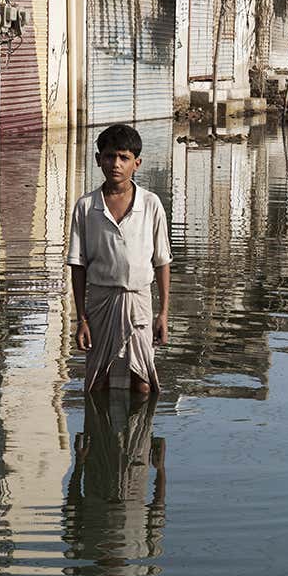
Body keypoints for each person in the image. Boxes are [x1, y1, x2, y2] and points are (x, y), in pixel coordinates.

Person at [67, 124, 172, 393]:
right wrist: (81, 319)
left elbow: (161, 261)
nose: (116, 164)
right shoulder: (87, 206)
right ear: (98, 159)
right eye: (110, 156)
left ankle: (139, 435)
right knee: (97, 381)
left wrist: (163, 313)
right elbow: (78, 266)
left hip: (139, 300)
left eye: (124, 158)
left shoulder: (150, 204)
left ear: (136, 163)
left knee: (143, 384)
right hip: (100, 300)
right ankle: (98, 434)